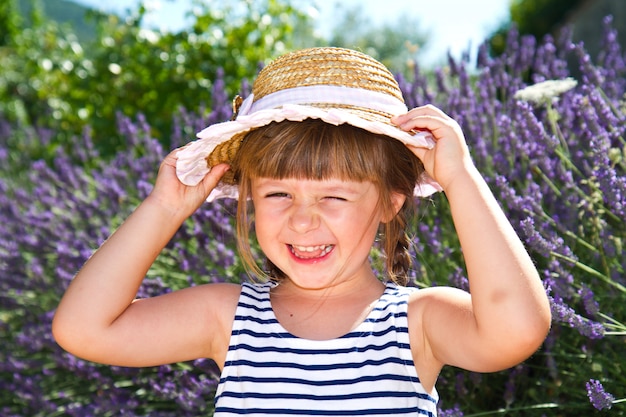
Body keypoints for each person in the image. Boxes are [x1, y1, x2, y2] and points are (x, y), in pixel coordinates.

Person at [52, 47, 551, 416]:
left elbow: (516, 332)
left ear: (389, 203)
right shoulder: (227, 318)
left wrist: (461, 179)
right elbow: (84, 330)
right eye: (277, 195)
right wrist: (163, 208)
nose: (302, 218)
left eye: (334, 196)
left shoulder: (416, 323)